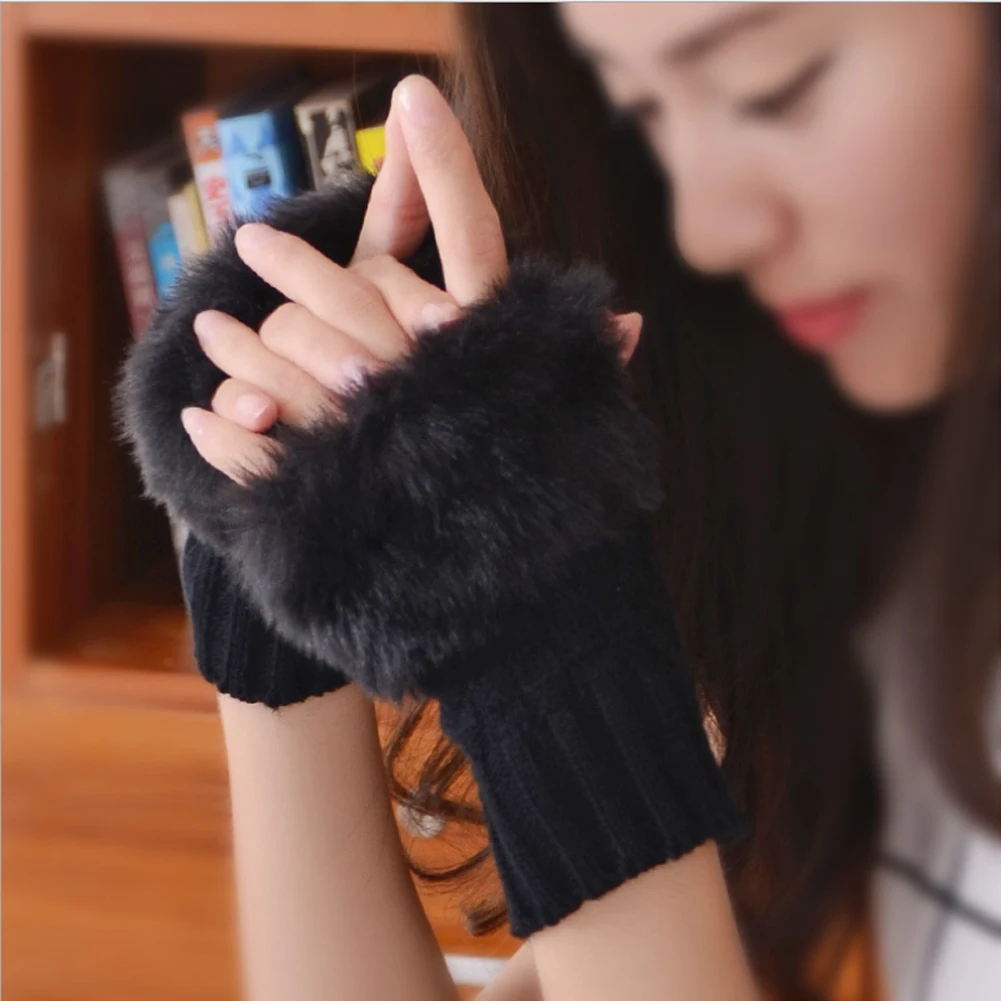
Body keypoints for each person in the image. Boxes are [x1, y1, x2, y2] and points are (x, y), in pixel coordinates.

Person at [129, 4, 998, 1000]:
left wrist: (545, 621)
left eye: (774, 88)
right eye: (644, 112)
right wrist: (271, 536)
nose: (706, 231)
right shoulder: (891, 515)